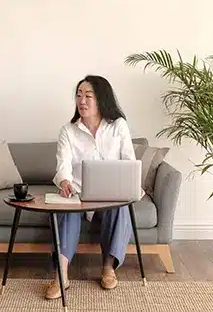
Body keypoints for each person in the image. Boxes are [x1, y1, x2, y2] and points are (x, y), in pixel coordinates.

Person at [46, 75, 138, 299]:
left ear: (101, 99)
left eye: (88, 96)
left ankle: (108, 268)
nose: (82, 101)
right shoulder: (68, 130)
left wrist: (122, 185)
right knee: (66, 209)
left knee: (121, 206)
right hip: (78, 194)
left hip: (109, 196)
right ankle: (61, 275)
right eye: (78, 95)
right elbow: (63, 165)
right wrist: (65, 181)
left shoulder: (118, 126)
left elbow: (129, 162)